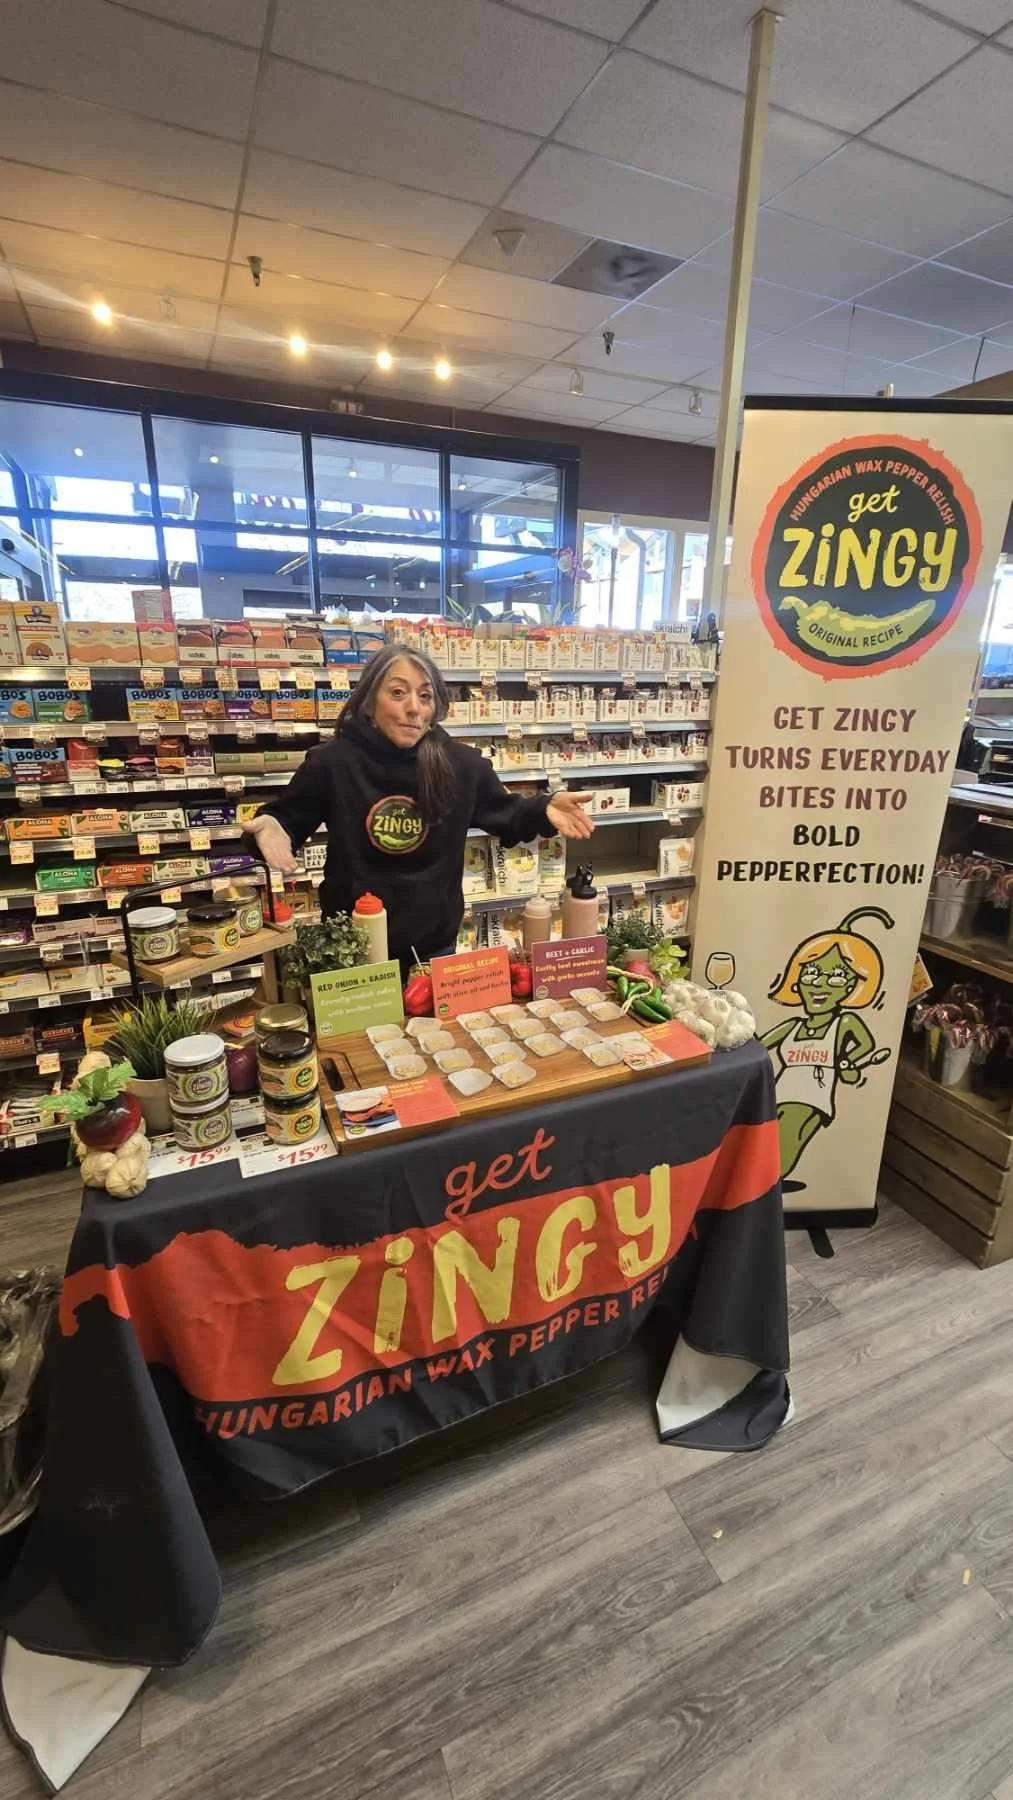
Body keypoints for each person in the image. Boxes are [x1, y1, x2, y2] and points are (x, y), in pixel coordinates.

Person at [245, 642, 595, 972]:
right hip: (349, 945)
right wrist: (271, 825)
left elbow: (508, 813)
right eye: (398, 693)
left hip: (433, 947)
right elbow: (287, 818)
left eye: (425, 696)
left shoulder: (462, 766)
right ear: (369, 701)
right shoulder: (332, 764)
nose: (413, 708)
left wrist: (543, 809)